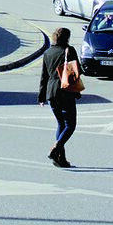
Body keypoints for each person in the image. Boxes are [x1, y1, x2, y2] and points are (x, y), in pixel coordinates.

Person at [38, 27, 80, 168]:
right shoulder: (69, 50)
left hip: (51, 93)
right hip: (64, 91)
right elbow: (76, 71)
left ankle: (60, 159)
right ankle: (56, 149)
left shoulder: (48, 53)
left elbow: (44, 76)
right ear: (67, 38)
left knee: (61, 124)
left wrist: (41, 96)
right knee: (70, 125)